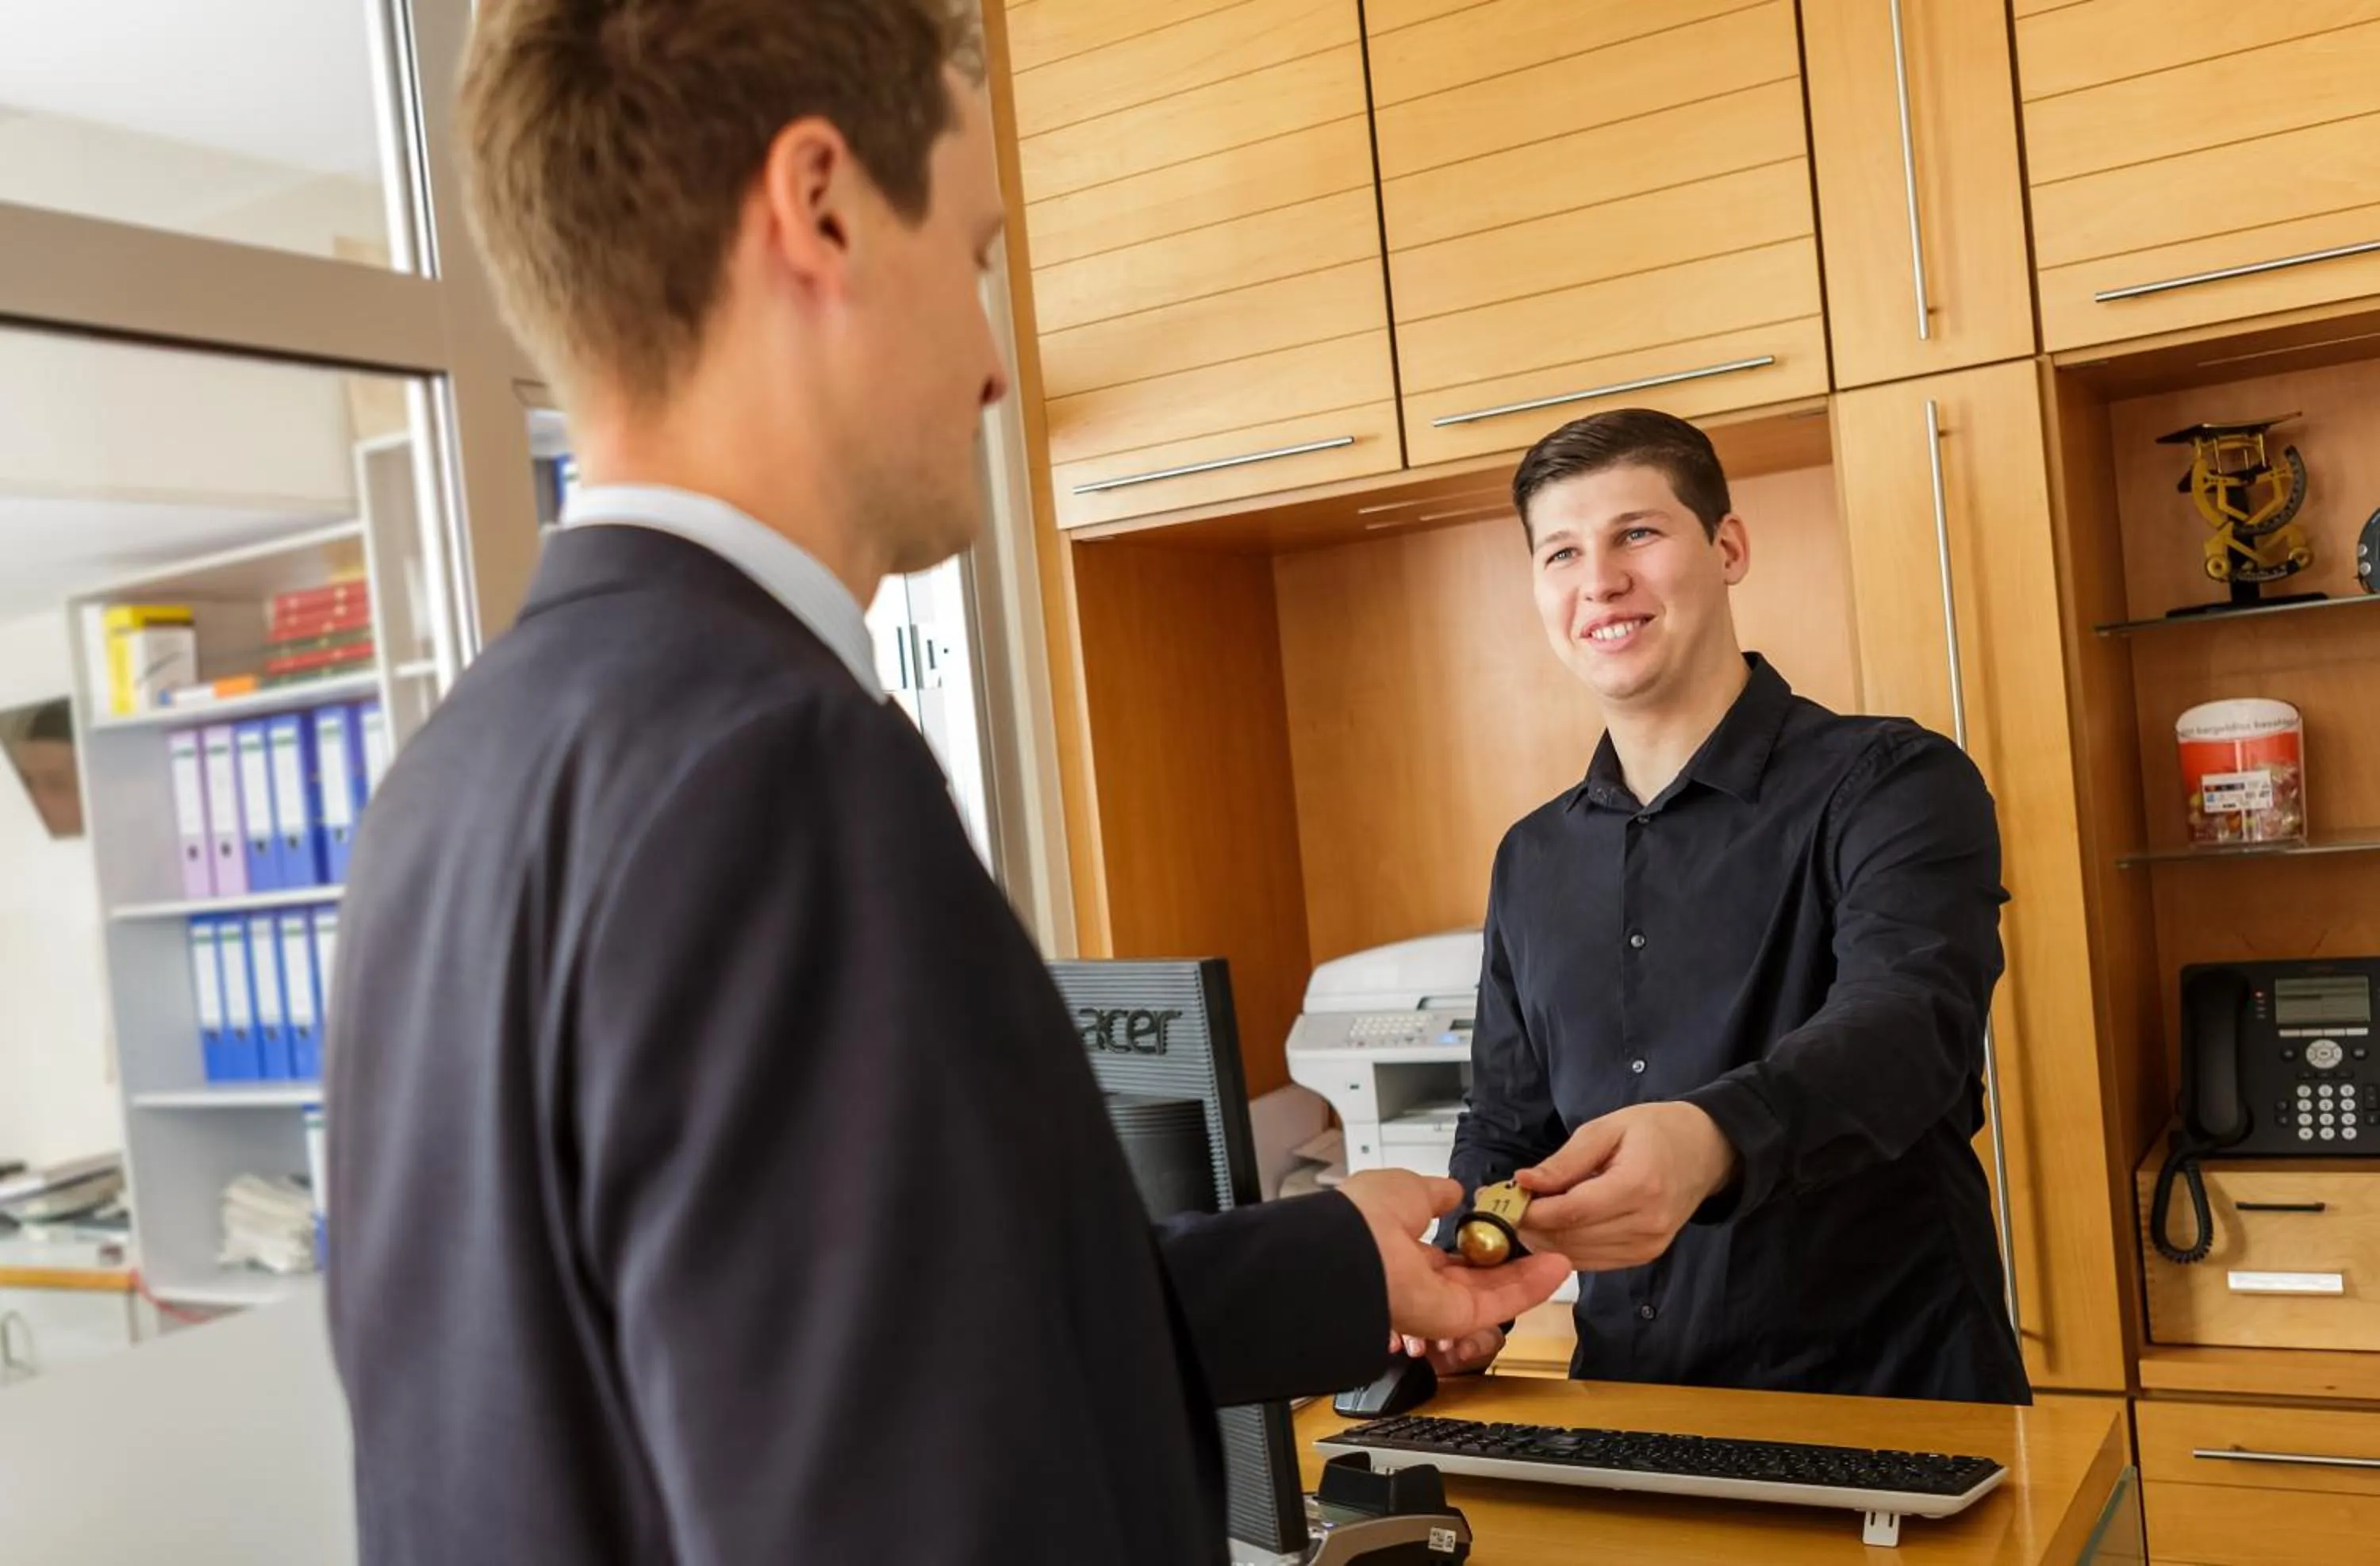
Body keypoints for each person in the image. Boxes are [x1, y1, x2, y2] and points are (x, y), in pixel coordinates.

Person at [322, 4, 1566, 1564]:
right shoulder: (781, 769)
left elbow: (817, 1349)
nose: (994, 367)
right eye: (975, 256)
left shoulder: (452, 779)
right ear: (823, 207)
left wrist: (1326, 1261)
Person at [1409, 409, 2029, 1405]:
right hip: (1631, 1403)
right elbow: (1508, 1124)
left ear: (1728, 548)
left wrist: (1713, 1138)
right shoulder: (1532, 856)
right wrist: (1463, 1281)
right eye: (1562, 552)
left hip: (1890, 1400)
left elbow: (1911, 1028)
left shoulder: (1894, 781)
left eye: (1638, 535)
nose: (1600, 581)